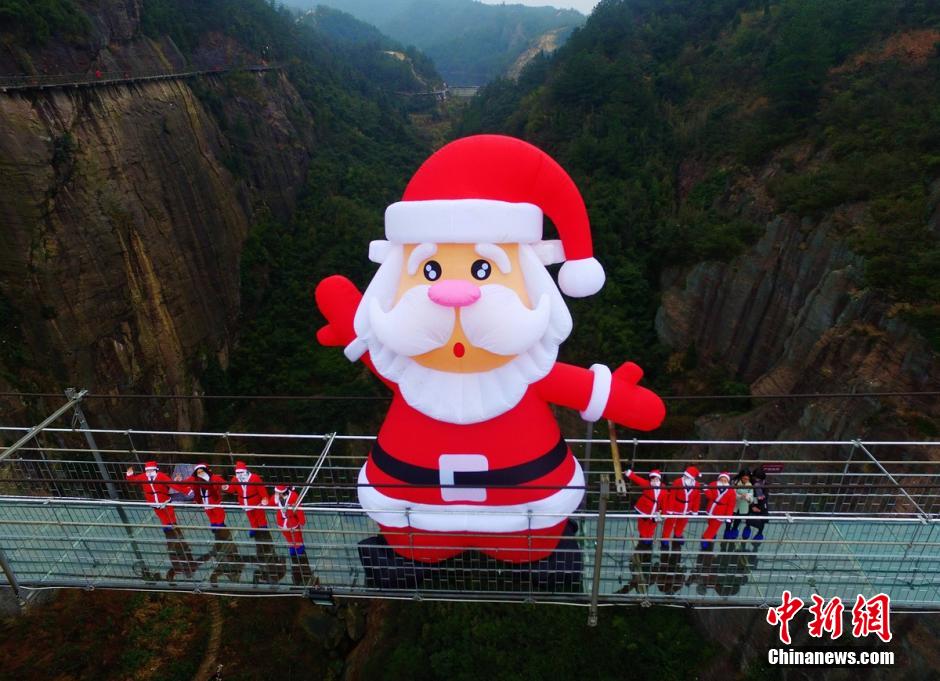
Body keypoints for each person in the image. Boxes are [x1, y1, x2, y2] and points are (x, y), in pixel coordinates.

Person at [125, 461, 180, 531]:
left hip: (164, 499)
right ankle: (168, 528)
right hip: (153, 501)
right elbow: (133, 481)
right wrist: (130, 474)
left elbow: (170, 483)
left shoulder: (161, 476)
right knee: (161, 515)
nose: (149, 472)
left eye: (151, 470)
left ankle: (173, 526)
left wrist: (177, 481)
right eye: (148, 470)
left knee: (170, 513)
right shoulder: (143, 477)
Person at [224, 461, 270, 537]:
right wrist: (226, 487)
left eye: (241, 472)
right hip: (245, 502)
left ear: (245, 471)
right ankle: (254, 528)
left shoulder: (254, 478)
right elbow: (232, 489)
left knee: (260, 515)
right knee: (251, 516)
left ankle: (263, 528)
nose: (240, 475)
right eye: (238, 473)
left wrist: (265, 498)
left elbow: (261, 489)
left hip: (256, 501)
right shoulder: (235, 479)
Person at [176, 463, 227, 530]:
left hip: (215, 501)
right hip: (205, 502)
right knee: (211, 517)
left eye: (202, 471)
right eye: (198, 472)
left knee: (219, 516)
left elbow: (225, 484)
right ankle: (215, 529)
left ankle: (221, 528)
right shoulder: (194, 479)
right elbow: (184, 484)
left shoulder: (214, 478)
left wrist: (225, 487)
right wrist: (179, 480)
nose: (200, 473)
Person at [625, 468, 666, 550]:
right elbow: (638, 479)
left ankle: (647, 543)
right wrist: (630, 474)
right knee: (643, 526)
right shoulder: (647, 484)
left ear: (659, 479)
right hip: (644, 509)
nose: (654, 480)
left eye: (656, 479)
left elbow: (664, 500)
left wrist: (662, 512)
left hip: (655, 511)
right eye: (653, 479)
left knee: (652, 526)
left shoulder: (663, 488)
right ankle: (642, 543)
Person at [661, 466, 701, 550]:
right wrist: (670, 509)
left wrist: (695, 511)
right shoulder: (677, 482)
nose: (685, 477)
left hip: (687, 508)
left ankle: (678, 535)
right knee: (669, 523)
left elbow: (697, 499)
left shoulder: (696, 485)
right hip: (676, 506)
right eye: (685, 476)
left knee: (682, 523)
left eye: (688, 477)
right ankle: (665, 538)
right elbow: (672, 496)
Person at [701, 472, 736, 551]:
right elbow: (710, 496)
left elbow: (731, 505)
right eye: (721, 480)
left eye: (725, 480)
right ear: (719, 479)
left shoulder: (731, 491)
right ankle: (711, 536)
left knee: (714, 527)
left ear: (727, 481)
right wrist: (706, 490)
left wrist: (728, 516)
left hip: (721, 511)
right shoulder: (713, 484)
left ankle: (705, 539)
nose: (723, 482)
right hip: (711, 508)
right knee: (711, 525)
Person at [724, 468, 754, 540]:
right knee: (729, 519)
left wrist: (748, 498)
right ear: (741, 477)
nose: (745, 480)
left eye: (747, 479)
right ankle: (727, 530)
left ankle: (734, 529)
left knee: (738, 520)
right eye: (744, 478)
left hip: (743, 506)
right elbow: (732, 494)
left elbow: (751, 498)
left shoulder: (750, 485)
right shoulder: (735, 483)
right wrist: (740, 496)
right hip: (734, 505)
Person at [744, 467, 769, 540]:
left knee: (763, 516)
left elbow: (766, 496)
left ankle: (760, 533)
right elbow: (749, 495)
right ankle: (747, 527)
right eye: (756, 478)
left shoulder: (765, 484)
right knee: (749, 514)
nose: (758, 481)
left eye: (760, 479)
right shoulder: (751, 483)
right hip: (753, 500)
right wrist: (753, 506)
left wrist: (761, 501)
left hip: (762, 502)